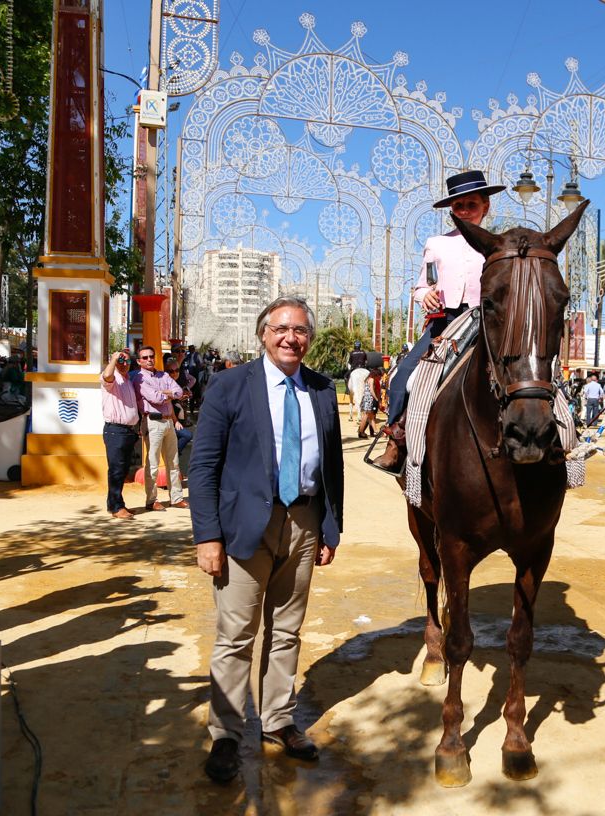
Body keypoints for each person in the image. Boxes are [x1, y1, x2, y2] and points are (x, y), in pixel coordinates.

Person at [189, 295, 344, 784]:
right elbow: (203, 466)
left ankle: (278, 720)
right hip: (243, 527)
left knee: (286, 631)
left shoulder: (322, 390)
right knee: (236, 635)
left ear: (309, 339)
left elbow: (332, 465)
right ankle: (226, 734)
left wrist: (330, 527)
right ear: (263, 334)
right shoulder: (230, 385)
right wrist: (207, 536)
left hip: (304, 523)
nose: (291, 338)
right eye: (281, 329)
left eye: (300, 331)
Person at [373, 169, 506, 473]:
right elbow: (421, 286)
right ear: (451, 210)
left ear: (485, 206)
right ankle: (395, 441)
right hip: (444, 323)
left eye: (471, 205)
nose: (464, 211)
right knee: (402, 376)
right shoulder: (437, 243)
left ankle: (560, 439)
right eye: (458, 206)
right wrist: (425, 296)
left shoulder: (499, 245)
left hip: (487, 323)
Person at [132, 345, 188, 511]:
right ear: (139, 361)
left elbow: (179, 392)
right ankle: (151, 500)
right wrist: (168, 394)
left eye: (151, 356)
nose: (149, 360)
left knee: (173, 462)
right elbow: (155, 398)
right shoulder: (140, 379)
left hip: (168, 421)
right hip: (152, 421)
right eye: (145, 357)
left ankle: (176, 498)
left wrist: (164, 393)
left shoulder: (163, 375)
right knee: (153, 463)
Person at [101, 347, 141, 520]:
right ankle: (116, 507)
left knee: (123, 470)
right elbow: (107, 375)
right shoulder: (113, 378)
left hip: (128, 431)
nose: (124, 364)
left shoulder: (128, 380)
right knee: (116, 470)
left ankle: (117, 503)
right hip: (115, 431)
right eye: (121, 361)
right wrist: (114, 359)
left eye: (127, 361)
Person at [357, 367, 382, 438]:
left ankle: (375, 431)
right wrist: (376, 398)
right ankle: (361, 432)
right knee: (366, 416)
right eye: (378, 375)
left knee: (371, 417)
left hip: (366, 399)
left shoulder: (368, 379)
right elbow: (371, 390)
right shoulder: (372, 379)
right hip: (369, 399)